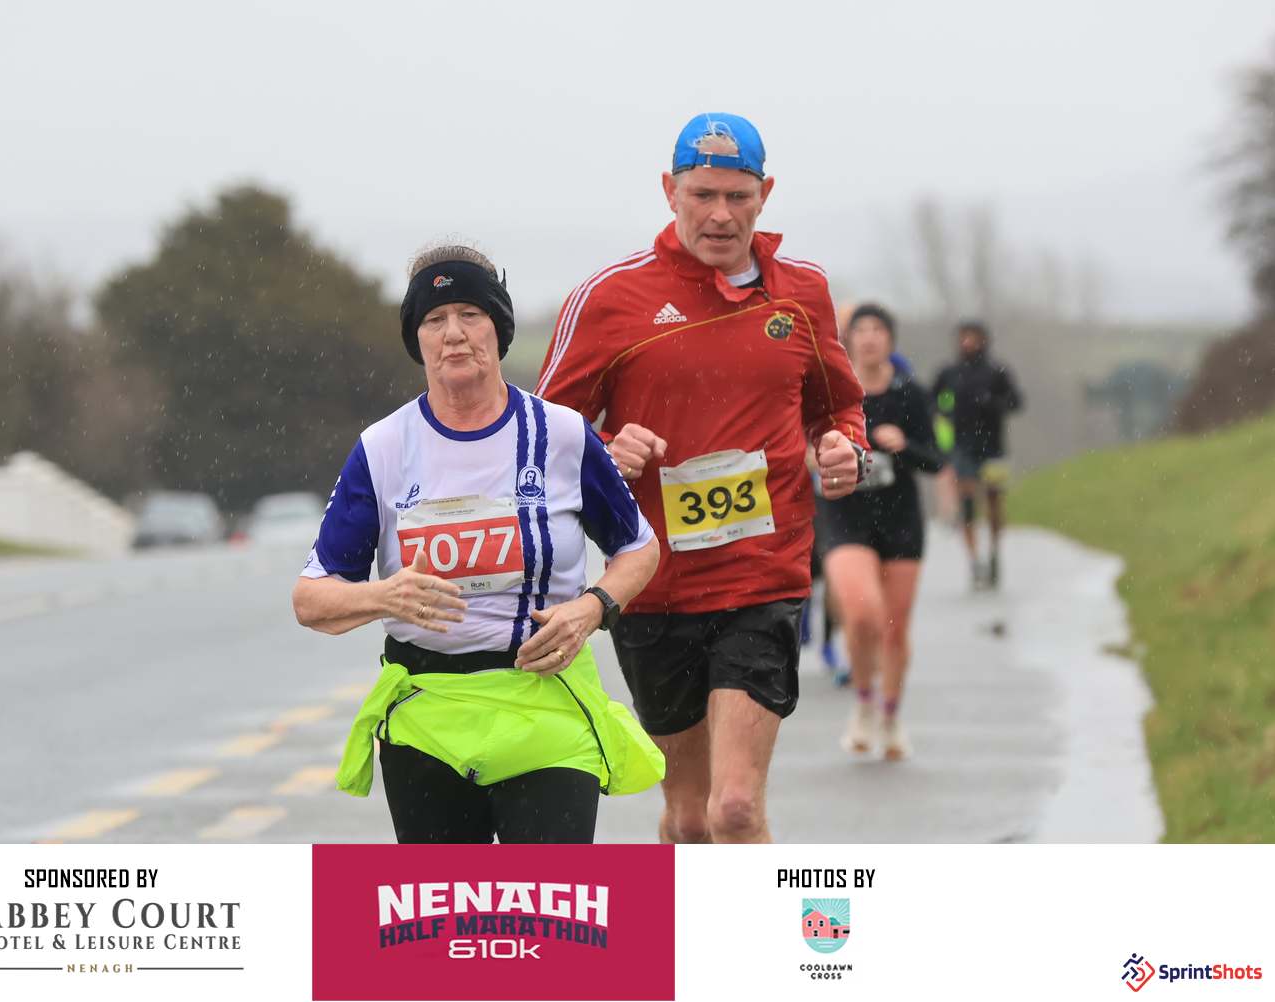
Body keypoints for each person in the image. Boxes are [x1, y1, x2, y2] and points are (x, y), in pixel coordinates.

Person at [536, 113, 869, 843]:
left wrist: (846, 448)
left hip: (763, 575)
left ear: (764, 194)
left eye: (738, 197)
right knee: (689, 818)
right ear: (670, 191)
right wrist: (605, 450)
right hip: (654, 583)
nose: (721, 215)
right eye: (703, 195)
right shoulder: (610, 298)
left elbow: (838, 406)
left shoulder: (803, 292)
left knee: (735, 808)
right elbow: (542, 434)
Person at [292, 243, 665, 844]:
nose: (454, 334)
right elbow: (311, 599)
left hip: (544, 704)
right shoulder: (383, 448)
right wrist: (383, 596)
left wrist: (592, 608)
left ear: (499, 328)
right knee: (448, 902)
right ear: (417, 339)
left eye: (471, 314)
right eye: (434, 319)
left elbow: (639, 547)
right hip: (428, 714)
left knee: (548, 898)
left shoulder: (561, 435)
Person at [817, 304, 944, 760]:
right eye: (861, 330)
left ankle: (890, 717)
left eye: (878, 330)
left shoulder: (911, 394)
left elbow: (936, 459)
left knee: (895, 627)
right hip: (844, 514)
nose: (870, 337)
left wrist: (904, 445)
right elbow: (802, 445)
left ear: (891, 339)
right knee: (863, 614)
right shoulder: (833, 391)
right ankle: (864, 702)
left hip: (900, 518)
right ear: (848, 339)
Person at [932, 321, 1024, 589]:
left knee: (994, 502)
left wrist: (992, 403)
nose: (967, 343)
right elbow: (932, 400)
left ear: (984, 340)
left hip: (994, 448)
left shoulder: (997, 371)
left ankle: (994, 551)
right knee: (968, 504)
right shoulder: (949, 373)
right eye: (963, 337)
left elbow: (1016, 402)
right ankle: (974, 561)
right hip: (962, 447)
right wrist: (946, 411)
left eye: (972, 337)